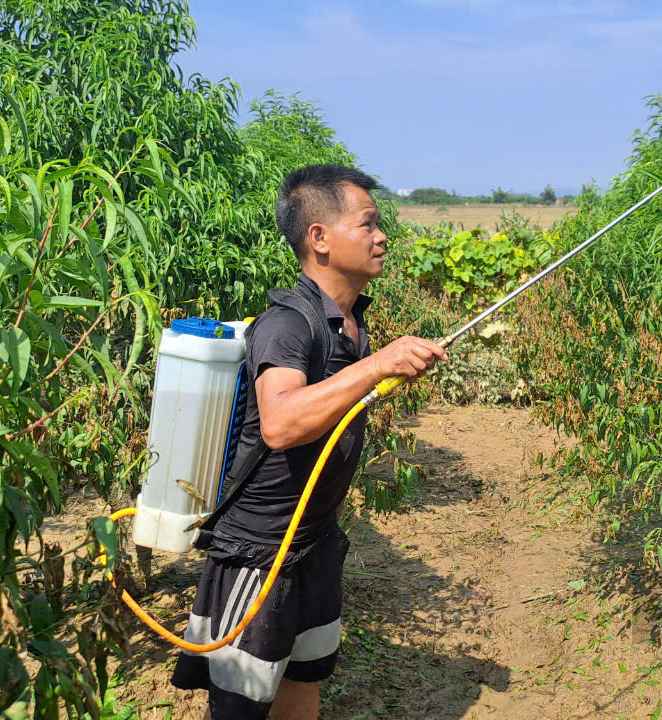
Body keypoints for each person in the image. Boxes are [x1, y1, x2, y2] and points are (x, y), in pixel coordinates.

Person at [171, 164, 448, 719]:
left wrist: (373, 361)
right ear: (318, 238)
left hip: (314, 542)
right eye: (367, 223)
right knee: (240, 705)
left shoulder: (347, 320)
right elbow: (280, 422)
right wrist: (379, 363)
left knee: (303, 680)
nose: (382, 236)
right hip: (261, 553)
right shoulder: (288, 324)